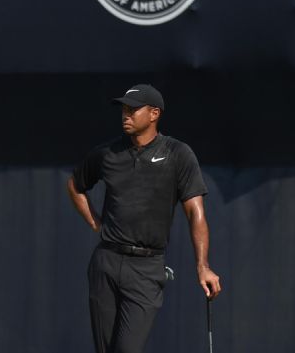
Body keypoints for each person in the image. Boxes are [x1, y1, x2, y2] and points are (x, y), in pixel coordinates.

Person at [66, 84, 222, 353]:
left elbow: (195, 213)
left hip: (146, 268)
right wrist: (95, 223)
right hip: (106, 262)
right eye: (123, 109)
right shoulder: (108, 153)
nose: (125, 115)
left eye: (133, 109)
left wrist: (203, 266)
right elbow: (75, 185)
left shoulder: (177, 154)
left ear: (154, 114)